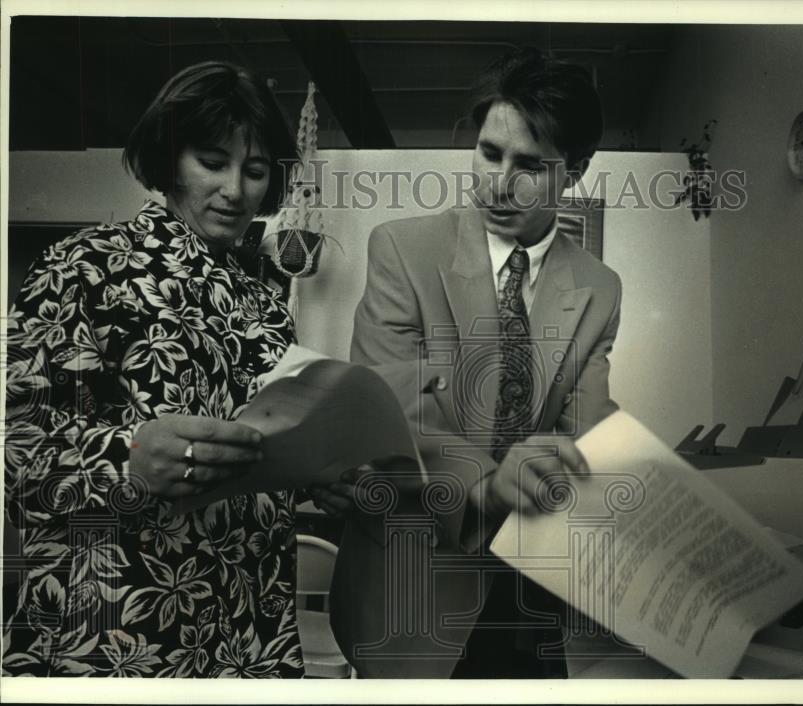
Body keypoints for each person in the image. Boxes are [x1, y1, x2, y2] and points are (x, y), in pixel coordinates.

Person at [2, 61, 305, 677]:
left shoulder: (268, 309)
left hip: (250, 637)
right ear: (169, 159)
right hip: (117, 634)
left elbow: (272, 459)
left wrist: (321, 472)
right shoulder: (84, 266)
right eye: (212, 162)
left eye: (254, 170)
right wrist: (126, 459)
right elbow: (15, 448)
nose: (235, 191)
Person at [329, 47, 622, 678]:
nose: (499, 182)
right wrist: (488, 484)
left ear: (576, 170)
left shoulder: (599, 286)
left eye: (530, 165)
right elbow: (391, 417)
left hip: (530, 590)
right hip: (414, 583)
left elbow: (588, 426)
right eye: (490, 153)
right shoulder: (403, 250)